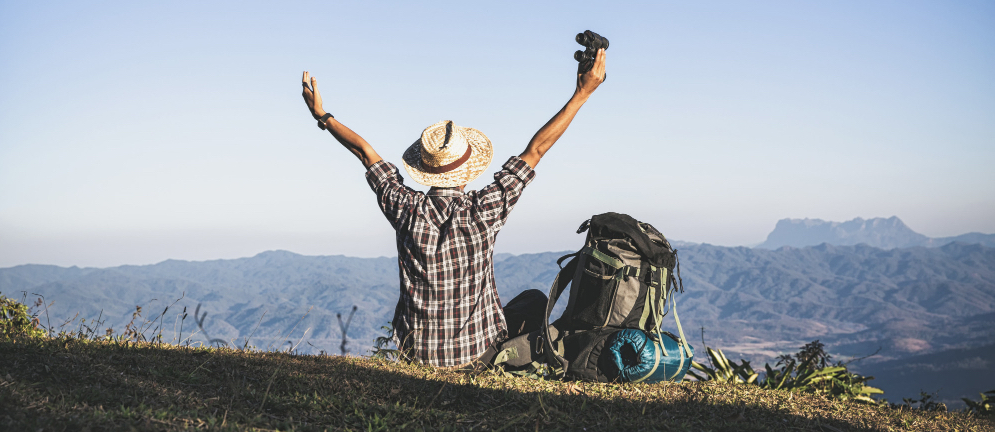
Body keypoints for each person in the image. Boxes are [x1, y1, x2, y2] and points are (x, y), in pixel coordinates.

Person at [300, 48, 606, 368]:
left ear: (426, 168)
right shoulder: (485, 210)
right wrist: (582, 93)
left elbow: (365, 152)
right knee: (534, 301)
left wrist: (322, 116)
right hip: (477, 356)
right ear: (468, 168)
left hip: (416, 354)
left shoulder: (403, 207)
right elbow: (537, 149)